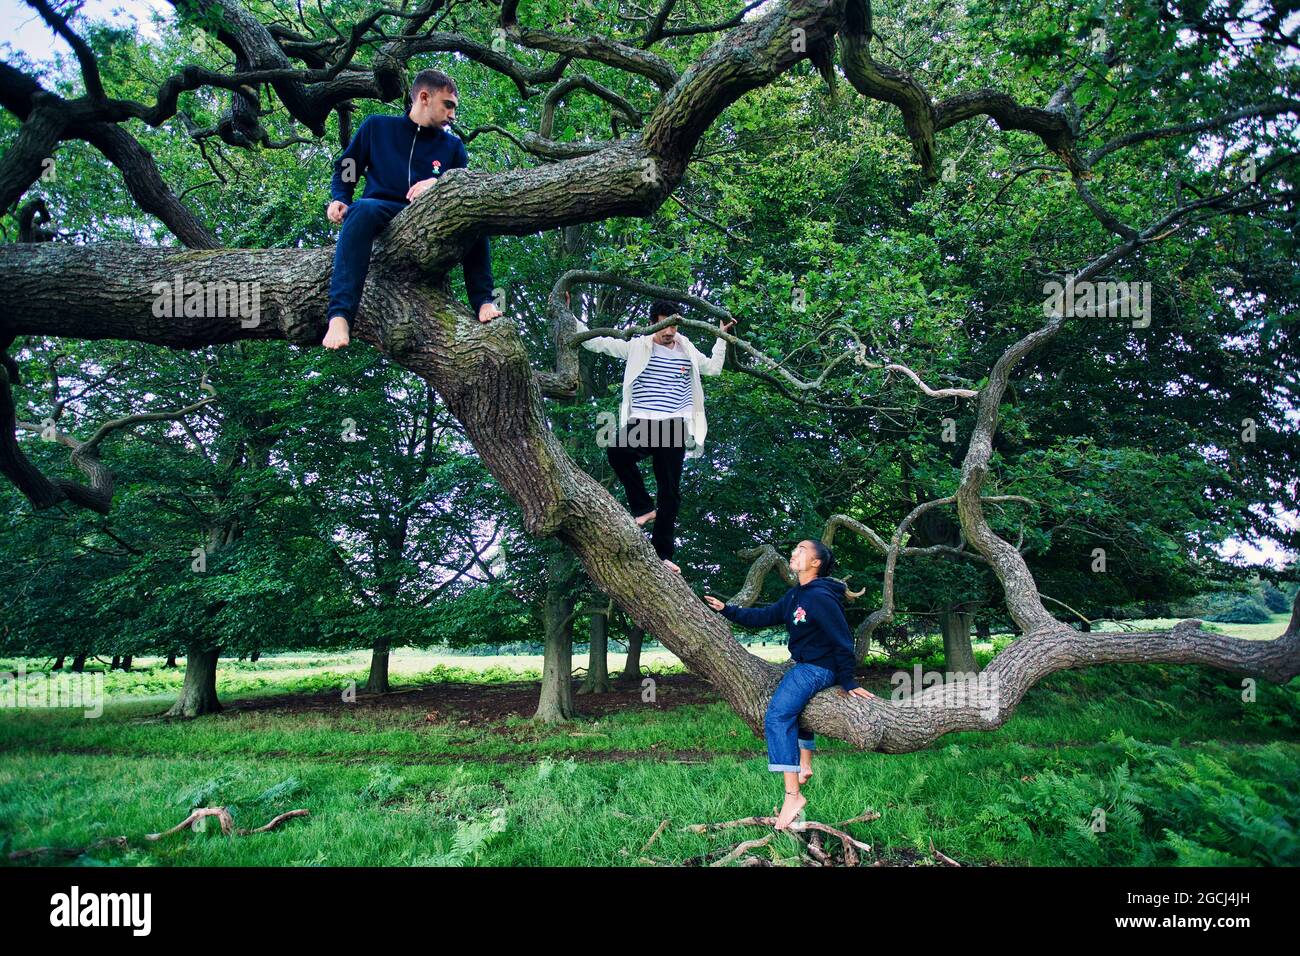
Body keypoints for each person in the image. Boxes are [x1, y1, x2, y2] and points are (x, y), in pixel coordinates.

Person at [704, 539, 877, 830]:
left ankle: (793, 796)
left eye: (801, 550)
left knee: (778, 715)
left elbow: (843, 640)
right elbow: (764, 616)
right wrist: (727, 609)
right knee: (796, 708)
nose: (794, 553)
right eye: (794, 549)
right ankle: (805, 764)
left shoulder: (820, 597)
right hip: (808, 664)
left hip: (818, 667)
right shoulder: (797, 594)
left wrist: (848, 681)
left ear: (816, 563)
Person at [323, 69, 501, 348]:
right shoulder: (376, 127)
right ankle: (340, 316)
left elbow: (464, 191)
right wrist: (340, 197)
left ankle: (483, 301)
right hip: (381, 211)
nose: (453, 115)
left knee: (474, 214)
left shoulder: (453, 147)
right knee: (361, 209)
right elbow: (348, 166)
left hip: (427, 218)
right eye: (448, 105)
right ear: (424, 97)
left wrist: (437, 183)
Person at [575, 299, 734, 573]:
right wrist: (570, 317)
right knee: (617, 452)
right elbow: (597, 342)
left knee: (670, 492)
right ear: (653, 323)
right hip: (645, 422)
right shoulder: (638, 345)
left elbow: (713, 368)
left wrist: (722, 337)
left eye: (674, 326)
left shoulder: (686, 348)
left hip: (674, 426)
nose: (669, 332)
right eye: (664, 326)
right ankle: (643, 507)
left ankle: (663, 556)